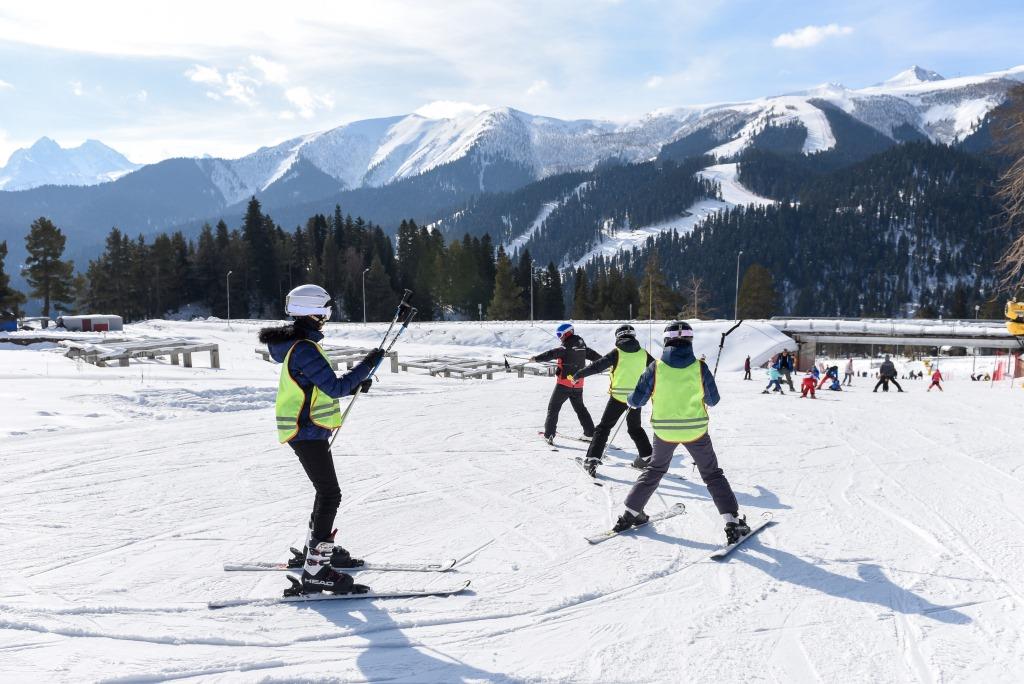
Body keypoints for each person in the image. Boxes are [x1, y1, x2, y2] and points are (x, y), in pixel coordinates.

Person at [258, 284, 384, 595]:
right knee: (331, 493)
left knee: (324, 491)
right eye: (326, 309)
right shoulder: (303, 348)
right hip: (306, 431)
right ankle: (315, 568)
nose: (328, 316)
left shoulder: (299, 345)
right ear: (314, 310)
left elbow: (319, 386)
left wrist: (356, 383)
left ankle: (313, 551)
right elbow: (334, 388)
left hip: (306, 430)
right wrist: (366, 367)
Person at [612, 321, 750, 545]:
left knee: (655, 470)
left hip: (664, 432)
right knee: (712, 474)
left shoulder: (655, 367)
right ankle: (732, 521)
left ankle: (631, 511)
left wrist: (628, 398)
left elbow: (637, 400)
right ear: (690, 340)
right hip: (695, 431)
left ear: (666, 340)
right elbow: (713, 401)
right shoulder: (699, 367)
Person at [574, 324, 654, 475]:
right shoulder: (644, 354)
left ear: (618, 336)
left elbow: (597, 366)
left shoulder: (617, 352)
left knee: (603, 428)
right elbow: (658, 369)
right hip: (635, 398)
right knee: (635, 428)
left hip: (618, 398)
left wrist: (579, 374)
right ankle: (648, 457)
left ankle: (592, 460)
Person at [531, 323, 601, 444]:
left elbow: (551, 353)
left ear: (567, 333)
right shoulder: (582, 346)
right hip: (578, 384)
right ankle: (590, 434)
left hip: (564, 384)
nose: (559, 337)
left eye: (560, 334)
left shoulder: (565, 347)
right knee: (580, 409)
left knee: (553, 408)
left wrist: (536, 358)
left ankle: (549, 434)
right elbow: (597, 357)